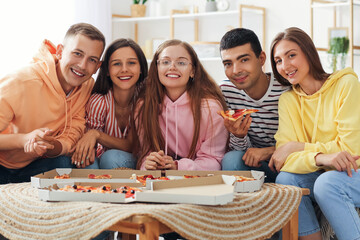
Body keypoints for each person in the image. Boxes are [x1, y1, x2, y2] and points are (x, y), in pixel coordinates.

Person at [270, 27, 360, 240]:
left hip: (355, 172)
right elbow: (285, 159)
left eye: (291, 55)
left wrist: (297, 147)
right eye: (278, 61)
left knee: (327, 183)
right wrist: (322, 157)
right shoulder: (288, 100)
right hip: (326, 172)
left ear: (308, 53)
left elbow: (351, 151)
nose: (285, 66)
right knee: (286, 179)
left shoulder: (346, 84)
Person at [0, 23, 105, 184]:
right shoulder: (21, 81)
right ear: (61, 52)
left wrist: (53, 145)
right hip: (2, 164)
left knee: (65, 163)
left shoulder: (86, 86)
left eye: (91, 60)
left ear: (98, 67)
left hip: (32, 164)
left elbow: (74, 130)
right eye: (77, 53)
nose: (82, 66)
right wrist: (25, 140)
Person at [135, 39, 228, 171]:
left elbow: (213, 160)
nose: (172, 67)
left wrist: (179, 167)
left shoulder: (211, 108)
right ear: (157, 69)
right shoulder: (144, 106)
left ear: (193, 71)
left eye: (181, 62)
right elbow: (144, 154)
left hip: (198, 176)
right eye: (165, 62)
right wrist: (149, 164)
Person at [219, 28, 290, 182]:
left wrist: (269, 151)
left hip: (291, 166)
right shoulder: (227, 92)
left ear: (262, 58)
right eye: (228, 63)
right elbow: (242, 152)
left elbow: (306, 142)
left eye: (244, 60)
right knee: (231, 159)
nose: (236, 71)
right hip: (259, 166)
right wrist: (239, 136)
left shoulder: (287, 88)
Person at [71, 38, 147, 169]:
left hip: (137, 159)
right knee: (86, 163)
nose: (124, 69)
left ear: (140, 68)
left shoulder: (145, 98)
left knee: (111, 158)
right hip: (104, 157)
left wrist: (96, 134)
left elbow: (131, 145)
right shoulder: (99, 102)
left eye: (131, 63)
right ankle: (96, 189)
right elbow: (91, 145)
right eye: (117, 64)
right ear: (107, 70)